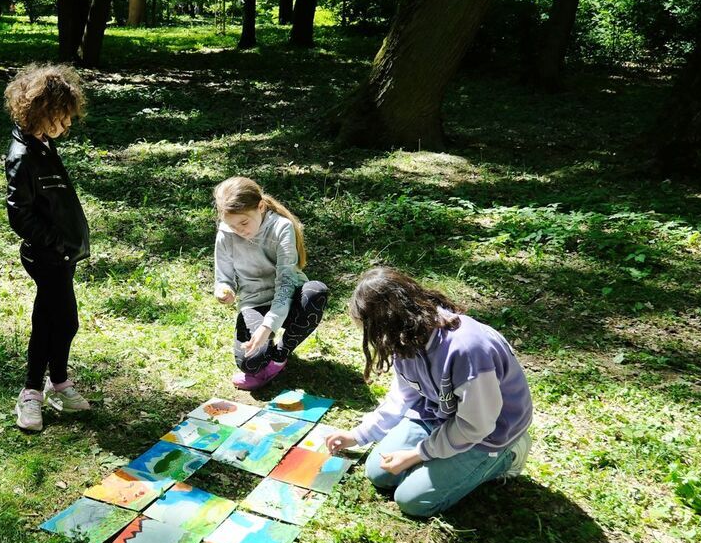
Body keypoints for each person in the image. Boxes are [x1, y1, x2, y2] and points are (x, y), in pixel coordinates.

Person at [327, 267, 533, 517]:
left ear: (388, 322)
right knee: (378, 473)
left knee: (411, 500)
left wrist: (418, 454)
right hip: (439, 415)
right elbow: (402, 397)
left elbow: (476, 425)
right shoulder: (404, 337)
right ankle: (443, 456)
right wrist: (357, 435)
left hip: (489, 433)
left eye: (370, 331)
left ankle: (505, 458)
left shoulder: (467, 351)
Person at [3, 64, 92, 432]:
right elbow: (20, 217)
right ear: (42, 111)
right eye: (63, 117)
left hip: (64, 254)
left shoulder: (43, 144)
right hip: (47, 256)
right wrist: (58, 243)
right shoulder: (22, 155)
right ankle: (30, 393)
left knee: (63, 321)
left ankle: (59, 384)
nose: (68, 124)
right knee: (53, 322)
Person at [212, 176, 328, 390]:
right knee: (250, 362)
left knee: (316, 292)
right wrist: (223, 290)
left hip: (289, 297)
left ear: (261, 207)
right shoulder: (225, 234)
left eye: (244, 223)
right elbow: (223, 277)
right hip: (254, 302)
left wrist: (268, 327)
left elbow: (285, 283)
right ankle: (265, 354)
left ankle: (279, 356)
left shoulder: (281, 227)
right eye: (232, 225)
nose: (239, 230)